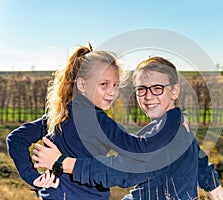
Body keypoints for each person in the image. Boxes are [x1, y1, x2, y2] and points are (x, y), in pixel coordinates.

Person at [32, 56, 223, 199]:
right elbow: (202, 164)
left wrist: (61, 162)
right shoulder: (175, 127)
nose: (148, 96)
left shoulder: (169, 131)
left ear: (174, 90)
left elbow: (120, 171)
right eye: (141, 89)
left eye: (157, 88)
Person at [6, 46, 185, 200]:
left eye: (115, 85)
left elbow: (15, 139)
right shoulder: (98, 122)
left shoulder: (60, 114)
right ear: (82, 86)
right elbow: (141, 150)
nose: (112, 92)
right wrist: (174, 117)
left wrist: (32, 178)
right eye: (104, 84)